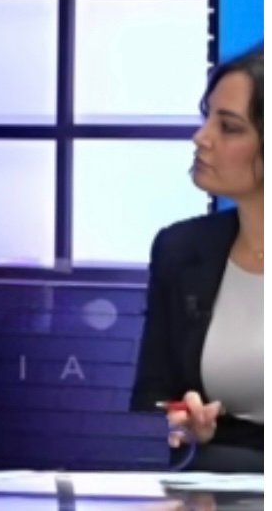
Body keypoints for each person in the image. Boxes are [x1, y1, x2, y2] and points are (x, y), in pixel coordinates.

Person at [132, 45, 263, 472]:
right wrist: (187, 425)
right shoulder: (180, 250)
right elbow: (156, 396)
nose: (201, 137)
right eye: (206, 117)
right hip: (219, 483)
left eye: (229, 127)